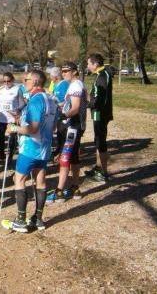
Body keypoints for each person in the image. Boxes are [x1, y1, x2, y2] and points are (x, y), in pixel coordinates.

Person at [5, 70, 57, 232]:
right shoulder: (51, 99)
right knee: (40, 182)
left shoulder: (35, 101)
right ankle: (38, 219)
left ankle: (21, 220)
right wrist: (21, 120)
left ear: (35, 82)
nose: (23, 82)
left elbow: (33, 129)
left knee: (19, 180)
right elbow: (52, 125)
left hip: (30, 148)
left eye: (26, 79)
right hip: (44, 148)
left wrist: (14, 128)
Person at [46, 62, 88, 203]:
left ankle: (59, 192)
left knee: (64, 158)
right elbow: (70, 103)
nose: (63, 74)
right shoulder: (75, 84)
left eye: (66, 71)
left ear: (75, 71)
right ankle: (75, 188)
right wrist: (57, 105)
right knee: (74, 158)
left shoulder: (76, 85)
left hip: (72, 127)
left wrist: (62, 116)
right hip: (75, 126)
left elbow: (75, 108)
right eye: (62, 71)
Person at [86, 53, 113, 183]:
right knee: (98, 140)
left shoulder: (102, 76)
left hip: (100, 113)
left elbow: (99, 98)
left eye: (89, 64)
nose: (87, 66)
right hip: (100, 112)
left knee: (101, 142)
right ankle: (98, 168)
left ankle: (104, 173)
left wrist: (87, 104)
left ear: (95, 64)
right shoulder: (101, 75)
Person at [0, 72, 25, 165]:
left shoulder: (17, 89)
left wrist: (18, 110)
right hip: (2, 117)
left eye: (8, 81)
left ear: (12, 80)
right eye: (4, 81)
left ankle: (10, 157)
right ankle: (1, 153)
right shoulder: (0, 89)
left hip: (12, 117)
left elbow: (22, 103)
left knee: (12, 137)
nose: (6, 83)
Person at [49, 67, 69, 157]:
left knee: (62, 131)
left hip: (64, 113)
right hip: (58, 112)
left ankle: (62, 152)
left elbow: (68, 99)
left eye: (51, 76)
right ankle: (59, 149)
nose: (50, 78)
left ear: (55, 77)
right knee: (58, 132)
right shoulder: (56, 84)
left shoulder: (64, 84)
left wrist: (59, 104)